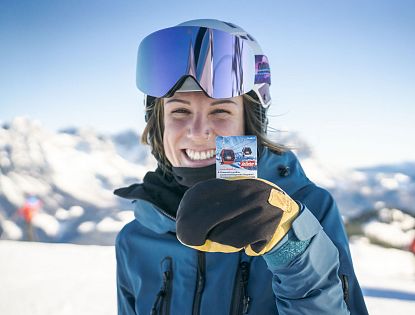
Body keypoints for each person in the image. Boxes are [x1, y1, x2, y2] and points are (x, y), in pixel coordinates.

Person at [114, 19, 369, 315]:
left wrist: (294, 249)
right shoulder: (134, 239)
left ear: (250, 124)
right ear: (158, 125)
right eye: (180, 110)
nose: (198, 131)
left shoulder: (309, 209)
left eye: (220, 110)